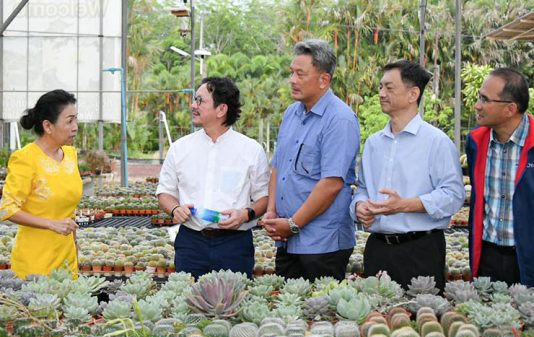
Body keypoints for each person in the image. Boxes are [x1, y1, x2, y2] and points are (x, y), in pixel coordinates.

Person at [351, 60, 465, 291]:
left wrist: (404, 205)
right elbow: (362, 187)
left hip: (421, 249)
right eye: (380, 87)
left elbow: (453, 195)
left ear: (413, 94)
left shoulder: (437, 142)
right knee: (376, 311)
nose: (381, 93)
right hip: (377, 248)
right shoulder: (373, 143)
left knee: (421, 311)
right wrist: (359, 205)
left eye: (389, 88)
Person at [262, 39, 360, 281]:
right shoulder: (291, 113)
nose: (292, 80)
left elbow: (331, 184)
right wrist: (271, 212)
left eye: (300, 74)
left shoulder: (339, 119)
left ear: (324, 80)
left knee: (321, 304)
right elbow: (278, 168)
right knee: (287, 301)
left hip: (322, 244)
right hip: (286, 240)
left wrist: (293, 224)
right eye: (291, 73)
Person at [157, 77, 269, 279]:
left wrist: (245, 214)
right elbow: (165, 192)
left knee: (234, 297)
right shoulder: (180, 148)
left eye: (200, 100)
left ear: (221, 109)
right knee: (187, 296)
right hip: (191, 243)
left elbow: (264, 197)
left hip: (234, 245)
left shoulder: (251, 150)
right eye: (195, 100)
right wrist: (175, 209)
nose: (193, 105)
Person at [0, 90, 81, 279]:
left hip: (67, 260)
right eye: (69, 121)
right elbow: (7, 209)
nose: (75, 127)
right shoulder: (25, 159)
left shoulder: (70, 155)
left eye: (76, 119)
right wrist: (51, 224)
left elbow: (69, 212)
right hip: (35, 262)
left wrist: (75, 247)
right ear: (48, 126)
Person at [466, 68, 533, 287]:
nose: (477, 106)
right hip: (488, 257)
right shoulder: (476, 142)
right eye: (479, 97)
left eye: (485, 100)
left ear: (510, 109)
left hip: (527, 258)